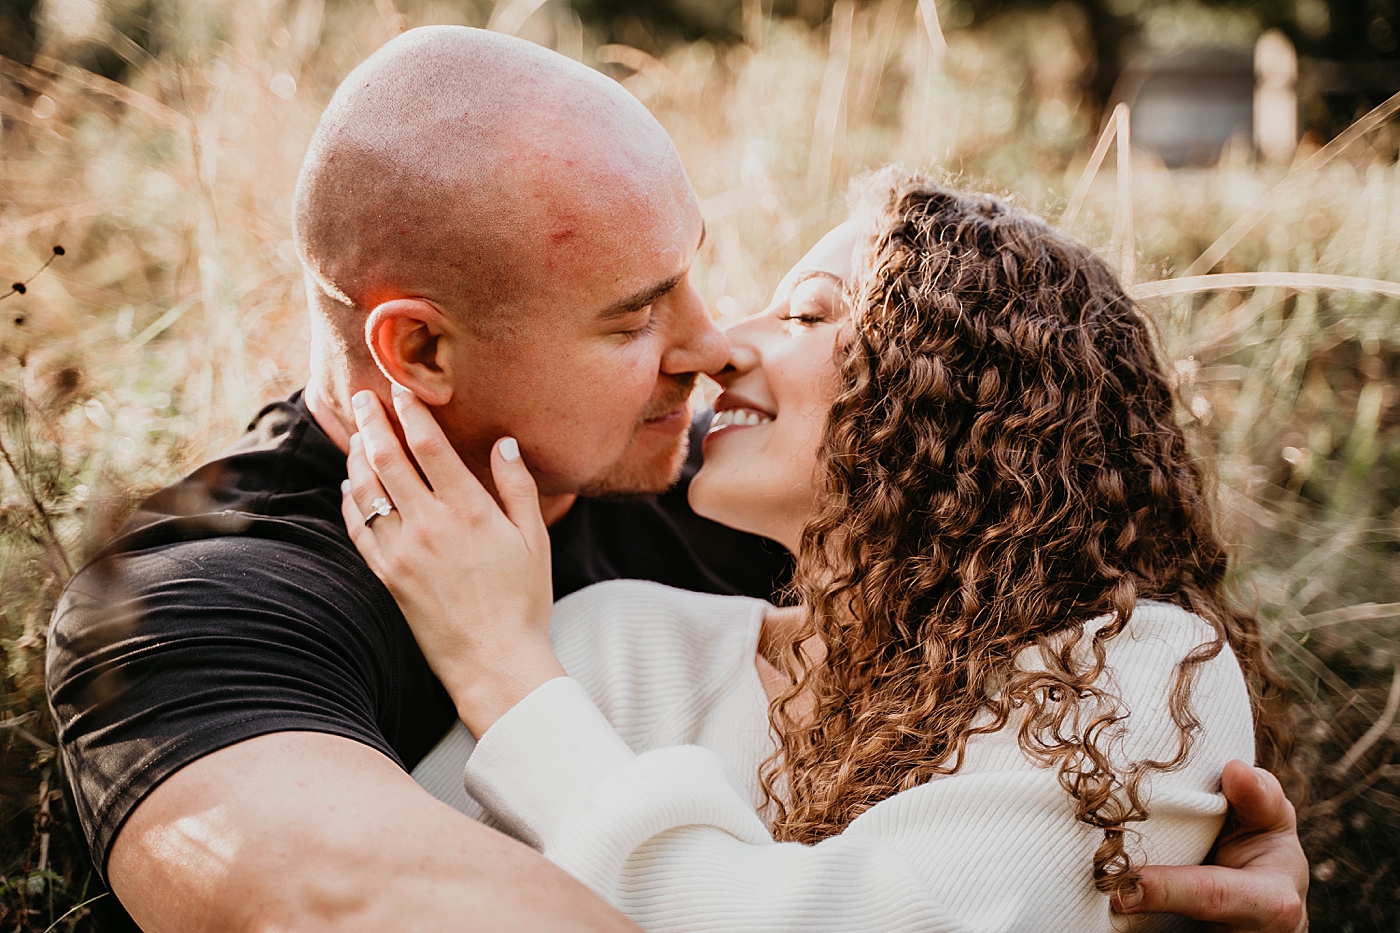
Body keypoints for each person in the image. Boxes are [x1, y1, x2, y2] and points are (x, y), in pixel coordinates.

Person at [44, 26, 1306, 933]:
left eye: (702, 275)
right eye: (636, 314)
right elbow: (333, 904)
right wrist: (508, 670)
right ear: (419, 349)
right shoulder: (194, 604)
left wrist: (1135, 832)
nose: (710, 347)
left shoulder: (749, 497)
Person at [340, 171, 1298, 931]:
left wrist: (502, 671)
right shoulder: (610, 640)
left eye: (806, 313)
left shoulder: (1127, 669)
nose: (721, 345)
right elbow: (381, 900)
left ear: (955, 395)